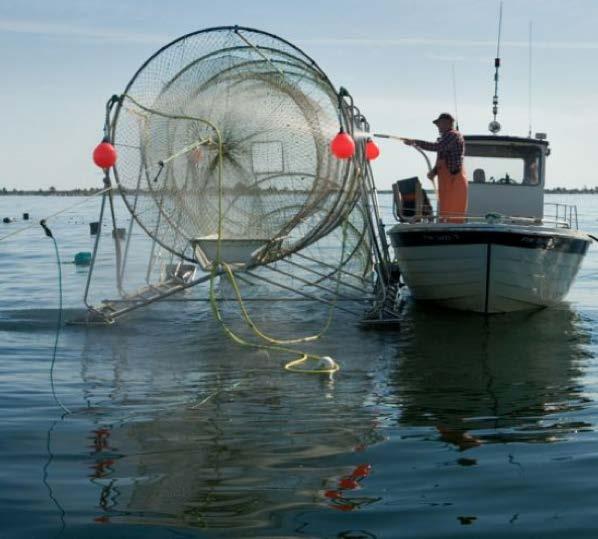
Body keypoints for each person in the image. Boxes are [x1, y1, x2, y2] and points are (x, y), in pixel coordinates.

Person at [403, 113, 468, 223]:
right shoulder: (444, 138)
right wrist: (434, 171)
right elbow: (443, 158)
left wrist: (414, 142)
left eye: (440, 123)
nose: (438, 126)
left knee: (454, 215)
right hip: (446, 185)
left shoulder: (453, 135)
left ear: (448, 123)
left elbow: (437, 147)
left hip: (455, 182)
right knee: (445, 214)